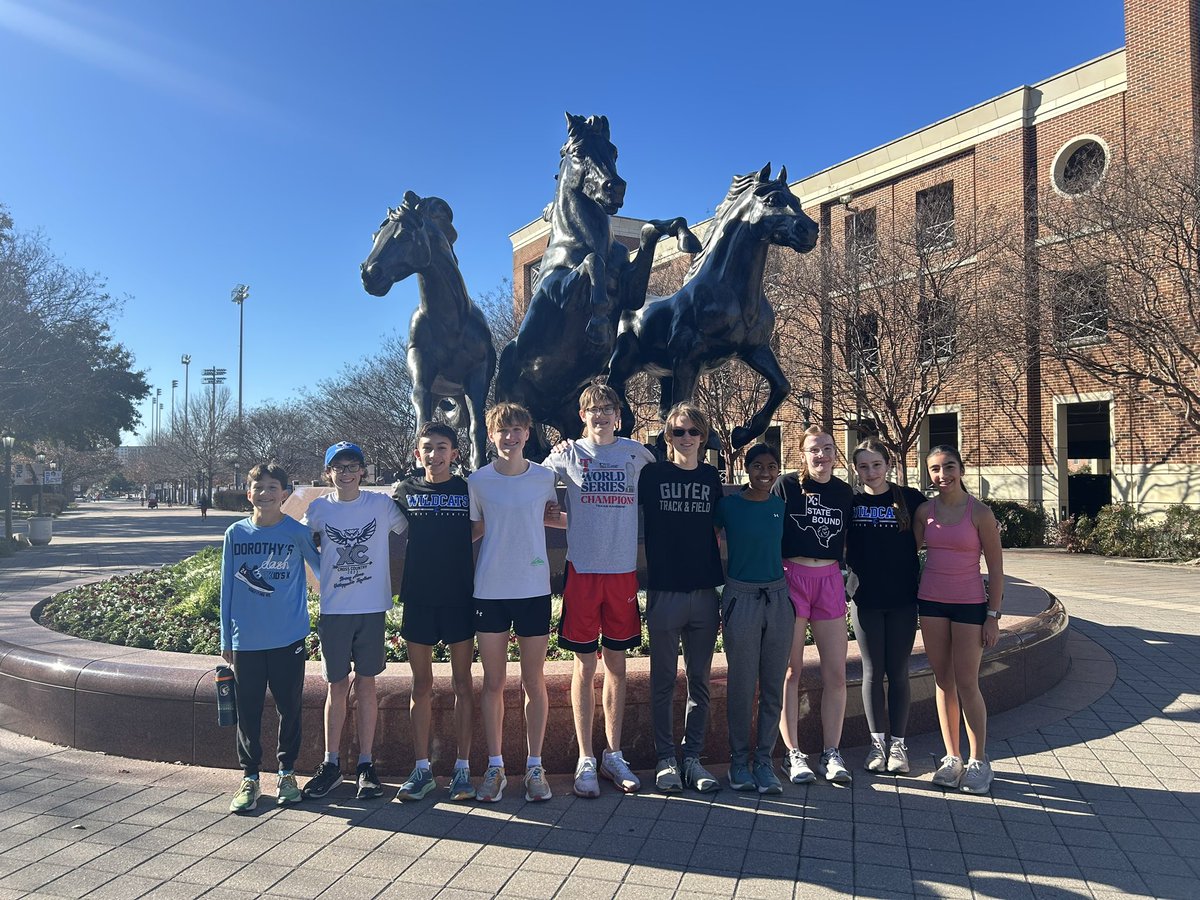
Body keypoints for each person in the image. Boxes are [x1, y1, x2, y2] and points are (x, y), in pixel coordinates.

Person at [545, 383, 655, 797]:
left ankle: (613, 753)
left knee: (617, 666)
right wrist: (554, 515)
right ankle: (585, 759)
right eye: (592, 409)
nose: (600, 415)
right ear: (582, 415)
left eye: (607, 408)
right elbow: (531, 493)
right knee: (584, 667)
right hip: (583, 571)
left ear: (618, 415)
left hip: (622, 571)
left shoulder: (636, 454)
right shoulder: (566, 455)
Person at [301, 442, 407, 801]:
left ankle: (365, 764)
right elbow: (298, 541)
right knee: (336, 686)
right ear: (327, 472)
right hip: (335, 611)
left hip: (371, 608)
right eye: (338, 467)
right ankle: (331, 764)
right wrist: (321, 573)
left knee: (366, 684)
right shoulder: (318, 509)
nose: (345, 473)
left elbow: (412, 526)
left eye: (352, 466)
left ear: (363, 471)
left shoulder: (380, 504)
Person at [469, 402, 559, 803]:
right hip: (490, 589)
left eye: (518, 429)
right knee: (493, 683)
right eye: (503, 430)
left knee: (533, 681)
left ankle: (534, 766)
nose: (511, 436)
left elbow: (555, 517)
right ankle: (495, 766)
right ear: (492, 436)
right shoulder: (477, 481)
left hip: (533, 587)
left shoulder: (545, 477)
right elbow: (473, 530)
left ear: (527, 433)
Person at [219, 462, 320, 813]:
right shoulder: (235, 534)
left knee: (289, 709)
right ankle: (249, 777)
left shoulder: (296, 532)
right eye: (259, 487)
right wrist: (225, 638)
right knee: (248, 712)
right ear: (249, 493)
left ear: (285, 493)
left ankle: (287, 774)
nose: (265, 493)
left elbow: (323, 570)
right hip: (245, 639)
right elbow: (227, 588)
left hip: (287, 638)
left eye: (273, 487)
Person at [638, 402, 724, 794]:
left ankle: (693, 758)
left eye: (693, 431)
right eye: (678, 432)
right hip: (665, 591)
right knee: (662, 681)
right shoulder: (651, 475)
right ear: (666, 437)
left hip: (704, 592)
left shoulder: (711, 477)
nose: (686, 438)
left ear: (703, 437)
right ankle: (665, 759)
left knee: (699, 681)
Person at [391, 423, 477, 802]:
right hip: (420, 597)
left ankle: (462, 768)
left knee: (462, 684)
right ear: (417, 454)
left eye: (442, 448)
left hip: (459, 595)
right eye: (427, 448)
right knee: (420, 685)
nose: (435, 454)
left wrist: (453, 543)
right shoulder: (406, 491)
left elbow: (481, 526)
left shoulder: (467, 488)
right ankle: (422, 768)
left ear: (454, 454)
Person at [914, 445, 1004, 794]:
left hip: (969, 605)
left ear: (961, 469)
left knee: (967, 682)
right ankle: (952, 757)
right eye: (935, 469)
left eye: (948, 467)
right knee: (943, 680)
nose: (942, 475)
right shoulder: (925, 512)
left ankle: (979, 760)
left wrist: (993, 616)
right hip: (932, 603)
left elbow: (996, 570)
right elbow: (906, 555)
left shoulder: (980, 513)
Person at [773, 425, 855, 785]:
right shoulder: (787, 487)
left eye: (827, 448)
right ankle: (793, 753)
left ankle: (831, 752)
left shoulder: (844, 492)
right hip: (792, 578)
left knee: (836, 673)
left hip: (830, 581)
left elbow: (855, 540)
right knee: (790, 671)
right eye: (813, 450)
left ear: (836, 452)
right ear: (802, 455)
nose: (821, 455)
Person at [715, 443, 792, 794]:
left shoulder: (781, 506)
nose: (765, 473)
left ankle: (764, 760)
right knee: (743, 685)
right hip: (741, 597)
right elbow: (708, 539)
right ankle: (738, 761)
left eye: (772, 466)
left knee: (773, 683)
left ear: (778, 470)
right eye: (758, 466)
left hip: (777, 598)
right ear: (747, 468)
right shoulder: (729, 506)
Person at [847, 439, 926, 775]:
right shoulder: (850, 502)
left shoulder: (910, 499)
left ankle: (898, 745)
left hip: (902, 599)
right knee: (871, 671)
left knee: (898, 672)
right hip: (865, 600)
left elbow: (942, 522)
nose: (871, 472)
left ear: (888, 465)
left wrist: (987, 522)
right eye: (863, 466)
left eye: (876, 465)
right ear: (855, 469)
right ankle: (876, 745)